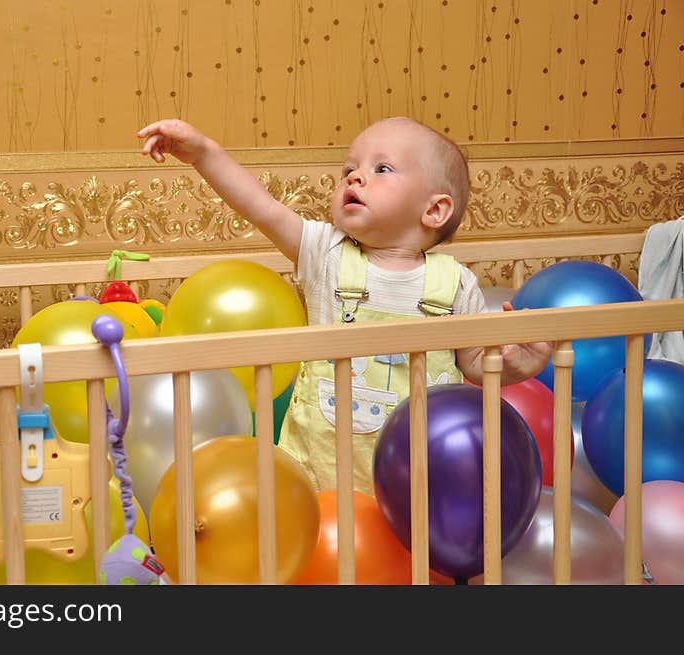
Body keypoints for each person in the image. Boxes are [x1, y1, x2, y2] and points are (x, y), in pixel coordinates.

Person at [138, 116, 553, 494]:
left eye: (381, 169)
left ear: (434, 209)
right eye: (349, 170)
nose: (355, 177)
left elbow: (477, 364)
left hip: (414, 482)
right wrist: (204, 153)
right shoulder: (326, 253)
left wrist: (517, 362)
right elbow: (260, 207)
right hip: (320, 476)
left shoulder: (455, 283)